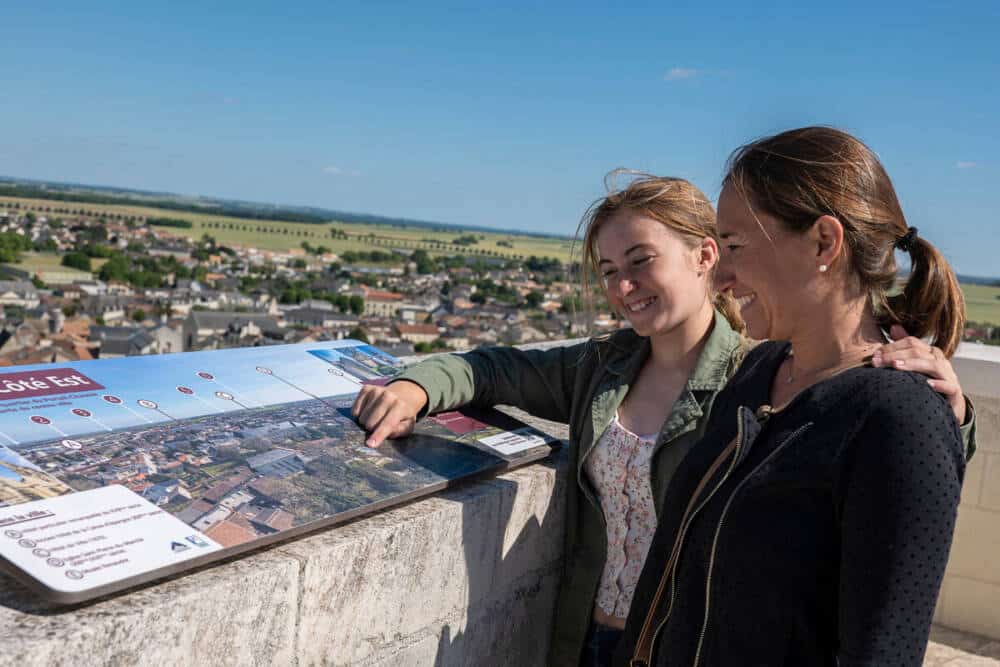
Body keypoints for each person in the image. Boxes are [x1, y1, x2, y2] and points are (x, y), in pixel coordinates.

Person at [351, 173, 972, 667]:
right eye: (610, 272)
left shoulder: (758, 373)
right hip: (589, 634)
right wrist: (413, 385)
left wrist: (956, 413)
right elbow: (494, 369)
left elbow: (885, 453)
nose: (625, 287)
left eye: (642, 262)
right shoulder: (603, 368)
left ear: (705, 256)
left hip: (690, 642)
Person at [615, 127, 970, 667]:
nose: (721, 276)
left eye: (734, 245)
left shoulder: (898, 418)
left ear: (824, 242)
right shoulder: (759, 370)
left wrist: (952, 422)